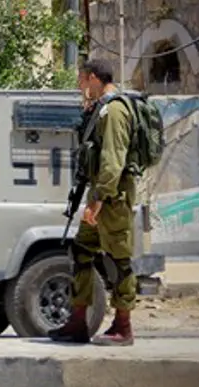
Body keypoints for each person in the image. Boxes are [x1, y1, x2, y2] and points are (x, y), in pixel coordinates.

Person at [48, 59, 138, 346]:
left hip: (112, 199)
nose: (79, 85)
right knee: (82, 251)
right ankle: (77, 322)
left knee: (119, 261)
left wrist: (98, 199)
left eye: (82, 79)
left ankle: (123, 326)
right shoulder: (100, 110)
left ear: (95, 78)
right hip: (100, 196)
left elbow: (113, 160)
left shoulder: (115, 111)